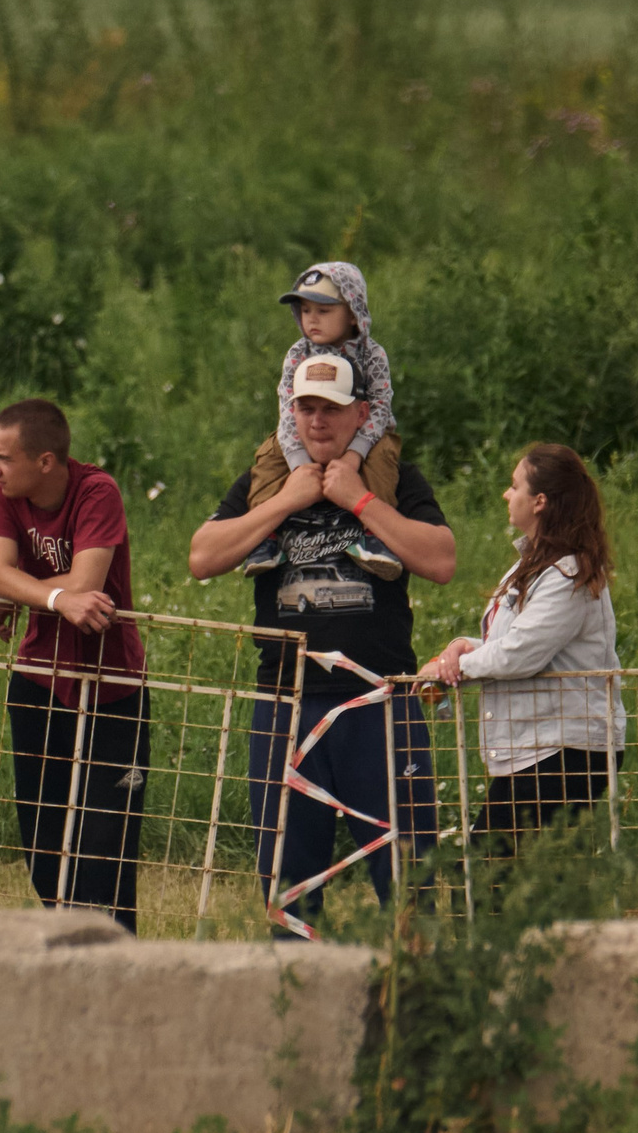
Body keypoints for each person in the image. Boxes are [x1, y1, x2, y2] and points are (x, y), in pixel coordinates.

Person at [191, 356, 455, 937]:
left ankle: (419, 1010)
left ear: (361, 414)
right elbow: (202, 557)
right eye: (307, 408)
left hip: (378, 703)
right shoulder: (266, 482)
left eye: (331, 409)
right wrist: (286, 502)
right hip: (285, 704)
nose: (317, 421)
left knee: (410, 879)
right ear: (292, 413)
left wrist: (360, 501)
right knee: (289, 887)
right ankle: (299, 1015)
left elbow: (440, 560)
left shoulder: (393, 479)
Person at [0, 398, 152, 931]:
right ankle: (72, 954)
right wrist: (50, 599)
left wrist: (25, 591)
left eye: (5, 457)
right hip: (38, 680)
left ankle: (118, 968)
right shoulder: (3, 490)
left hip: (113, 688)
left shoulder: (97, 491)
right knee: (43, 847)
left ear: (46, 461)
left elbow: (86, 585)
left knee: (105, 849)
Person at [417, 444, 623, 858]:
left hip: (564, 751)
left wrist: (452, 667)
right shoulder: (535, 565)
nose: (506, 495)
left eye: (514, 486)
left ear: (540, 502)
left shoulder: (569, 573)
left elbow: (521, 654)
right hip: (539, 748)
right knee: (525, 881)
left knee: (490, 877)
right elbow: (517, 644)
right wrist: (464, 648)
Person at [243, 262, 402, 576]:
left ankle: (376, 537)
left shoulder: (372, 354)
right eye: (305, 310)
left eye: (324, 310)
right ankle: (265, 537)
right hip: (299, 437)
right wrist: (299, 463)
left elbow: (381, 406)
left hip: (366, 433)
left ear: (353, 312)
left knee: (384, 457)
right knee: (267, 459)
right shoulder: (297, 354)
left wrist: (356, 454)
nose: (311, 319)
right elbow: (288, 411)